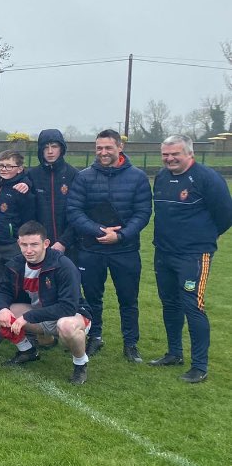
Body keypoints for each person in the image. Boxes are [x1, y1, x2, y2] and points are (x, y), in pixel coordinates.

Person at [150, 135, 232, 383]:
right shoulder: (162, 177)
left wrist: (203, 237)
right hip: (163, 252)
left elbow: (225, 216)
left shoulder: (208, 178)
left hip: (193, 255)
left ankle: (199, 365)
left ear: (189, 153)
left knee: (193, 306)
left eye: (175, 153)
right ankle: (174, 353)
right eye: (165, 154)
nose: (170, 158)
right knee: (170, 303)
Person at [66, 129, 152, 362]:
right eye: (99, 148)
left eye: (108, 148)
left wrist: (121, 236)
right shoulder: (84, 177)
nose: (103, 152)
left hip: (125, 249)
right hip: (91, 249)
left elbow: (143, 212)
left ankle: (130, 343)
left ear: (120, 147)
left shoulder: (137, 177)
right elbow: (74, 210)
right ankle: (95, 337)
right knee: (92, 297)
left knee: (128, 299)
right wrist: (98, 230)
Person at [0, 221, 92, 385]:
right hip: (40, 313)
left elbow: (68, 307)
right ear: (18, 243)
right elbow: (3, 290)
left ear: (46, 243)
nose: (28, 250)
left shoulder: (63, 265)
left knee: (66, 326)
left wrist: (28, 317)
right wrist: (3, 309)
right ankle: (27, 351)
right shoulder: (16, 263)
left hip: (72, 315)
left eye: (34, 244)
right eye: (24, 245)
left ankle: (80, 364)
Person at [0, 150, 35, 274]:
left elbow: (28, 219)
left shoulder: (22, 190)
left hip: (12, 245)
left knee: (14, 279)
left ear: (20, 169)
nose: (4, 169)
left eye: (9, 166)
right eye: (1, 165)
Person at [31, 129, 78, 261]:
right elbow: (29, 213)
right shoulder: (32, 176)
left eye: (54, 146)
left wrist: (64, 242)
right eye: (46, 147)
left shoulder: (73, 174)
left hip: (70, 246)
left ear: (61, 148)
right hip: (40, 246)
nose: (50, 151)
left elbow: (79, 212)